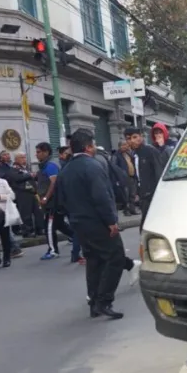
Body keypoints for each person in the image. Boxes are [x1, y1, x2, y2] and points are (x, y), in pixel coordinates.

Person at [56, 129, 128, 319]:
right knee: (115, 257)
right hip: (97, 222)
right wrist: (111, 221)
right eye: (93, 144)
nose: (95, 148)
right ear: (88, 147)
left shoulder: (65, 169)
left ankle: (94, 302)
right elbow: (101, 197)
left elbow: (60, 200)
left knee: (94, 260)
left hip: (78, 223)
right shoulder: (92, 166)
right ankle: (104, 300)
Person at [125, 127, 166, 230]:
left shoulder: (150, 151)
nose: (132, 141)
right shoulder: (133, 154)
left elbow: (159, 172)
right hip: (143, 196)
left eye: (135, 137)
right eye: (128, 138)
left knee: (147, 227)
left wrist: (158, 195)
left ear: (141, 137)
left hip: (152, 195)